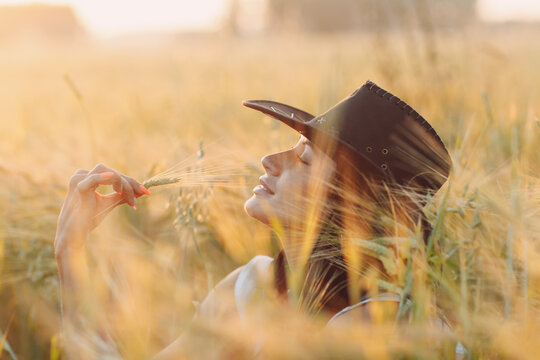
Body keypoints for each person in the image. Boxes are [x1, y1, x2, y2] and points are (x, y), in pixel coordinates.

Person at [55, 80, 452, 358]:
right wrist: (70, 253)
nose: (270, 160)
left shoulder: (377, 327)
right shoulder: (250, 288)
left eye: (306, 159)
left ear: (355, 202)